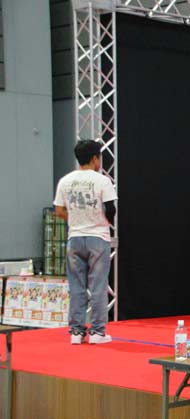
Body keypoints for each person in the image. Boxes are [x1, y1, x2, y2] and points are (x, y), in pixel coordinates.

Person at [53, 140, 117, 345]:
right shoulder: (102, 181)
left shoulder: (65, 181)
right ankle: (97, 332)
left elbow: (59, 210)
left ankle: (76, 332)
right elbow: (111, 209)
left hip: (75, 237)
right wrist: (106, 222)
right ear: (95, 158)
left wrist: (74, 218)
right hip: (98, 237)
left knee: (76, 286)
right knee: (98, 286)